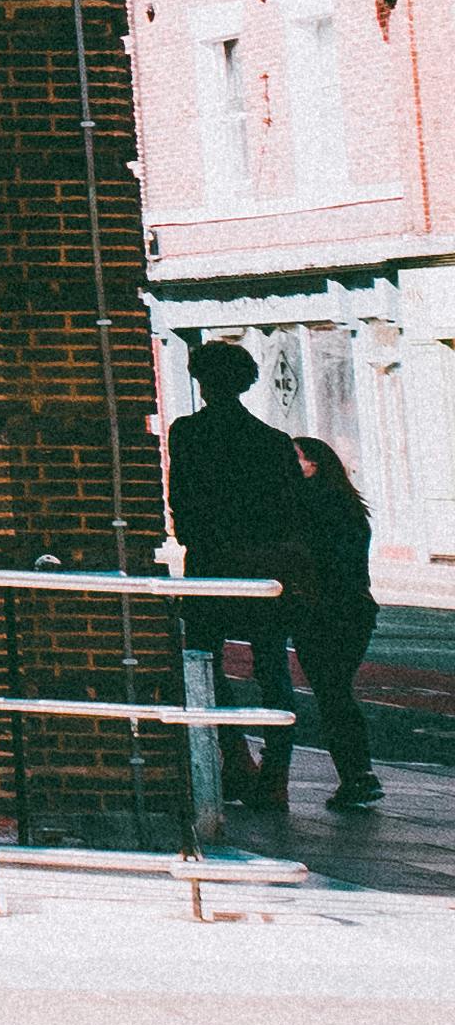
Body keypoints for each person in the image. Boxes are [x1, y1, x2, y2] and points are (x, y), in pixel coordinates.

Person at [164, 339, 313, 802]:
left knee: (204, 663)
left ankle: (236, 754)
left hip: (211, 561)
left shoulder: (188, 432)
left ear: (202, 381)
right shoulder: (272, 441)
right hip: (263, 562)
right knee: (272, 664)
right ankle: (277, 775)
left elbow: (181, 501)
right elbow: (291, 509)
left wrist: (198, 535)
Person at [289, 434, 388, 812]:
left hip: (322, 610)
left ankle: (358, 776)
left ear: (314, 463)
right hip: (357, 610)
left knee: (332, 694)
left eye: (295, 459)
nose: (290, 467)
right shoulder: (350, 504)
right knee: (336, 692)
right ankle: (358, 775)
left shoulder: (309, 505)